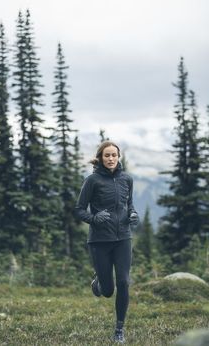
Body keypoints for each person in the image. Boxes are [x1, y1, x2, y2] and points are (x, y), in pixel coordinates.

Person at [75, 140, 139, 343]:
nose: (111, 159)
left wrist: (134, 214)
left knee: (123, 282)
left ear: (118, 157)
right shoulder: (92, 180)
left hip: (123, 238)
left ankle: (119, 329)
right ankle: (99, 282)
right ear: (101, 158)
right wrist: (94, 219)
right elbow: (79, 209)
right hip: (99, 240)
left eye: (114, 155)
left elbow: (129, 205)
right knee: (108, 290)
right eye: (107, 155)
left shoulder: (127, 179)